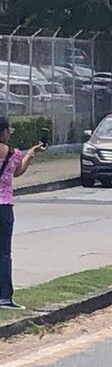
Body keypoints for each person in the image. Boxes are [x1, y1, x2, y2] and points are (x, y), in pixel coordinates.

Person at [0, 116, 46, 309]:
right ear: (4, 132)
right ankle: (4, 297)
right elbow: (17, 172)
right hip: (4, 206)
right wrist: (31, 153)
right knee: (3, 253)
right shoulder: (14, 154)